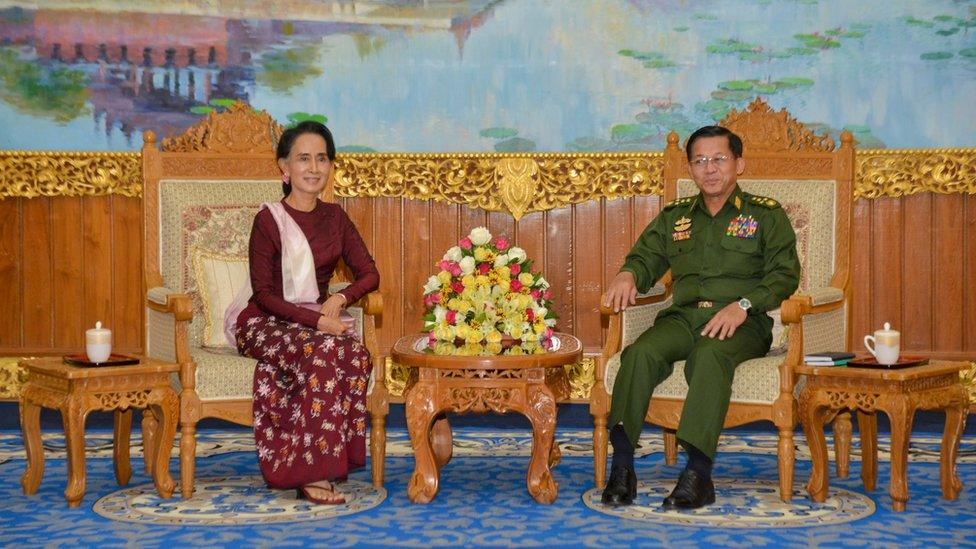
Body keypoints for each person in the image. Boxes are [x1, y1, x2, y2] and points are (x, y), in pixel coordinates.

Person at [600, 125, 800, 509]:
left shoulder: (765, 215)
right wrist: (628, 275)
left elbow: (784, 275)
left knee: (709, 355)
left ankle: (698, 472)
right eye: (700, 161)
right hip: (683, 318)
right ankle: (623, 466)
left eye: (719, 159)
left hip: (744, 321)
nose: (710, 169)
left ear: (739, 164)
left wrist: (743, 305)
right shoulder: (676, 217)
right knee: (639, 354)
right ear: (691, 168)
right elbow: (645, 258)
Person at [233, 121, 380, 505]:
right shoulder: (268, 220)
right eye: (303, 159)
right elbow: (263, 294)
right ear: (285, 167)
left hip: (316, 319)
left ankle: (336, 461)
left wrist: (341, 298)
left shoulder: (336, 218)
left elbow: (370, 274)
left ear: (330, 166)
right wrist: (318, 322)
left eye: (322, 158)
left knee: (355, 354)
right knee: (323, 351)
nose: (314, 167)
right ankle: (310, 473)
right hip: (265, 321)